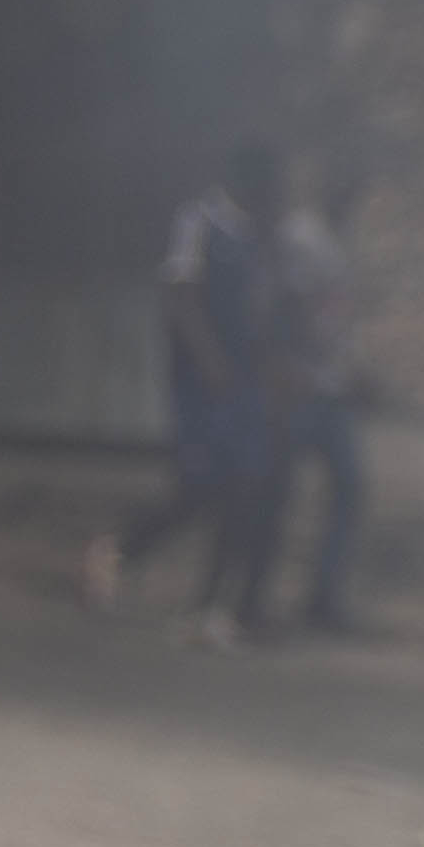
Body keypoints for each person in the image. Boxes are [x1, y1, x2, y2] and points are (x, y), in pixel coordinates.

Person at [86, 142, 283, 645]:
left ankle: (213, 606)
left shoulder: (260, 234)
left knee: (247, 487)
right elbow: (180, 296)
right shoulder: (201, 221)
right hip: (202, 381)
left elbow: (259, 310)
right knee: (199, 489)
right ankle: (119, 551)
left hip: (244, 382)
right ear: (245, 179)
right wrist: (209, 359)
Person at [273, 158, 368, 634]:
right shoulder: (301, 237)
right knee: (273, 489)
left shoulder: (334, 241)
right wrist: (290, 364)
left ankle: (322, 596)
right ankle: (253, 593)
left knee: (348, 487)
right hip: (297, 387)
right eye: (343, 181)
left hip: (327, 390)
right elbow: (287, 307)